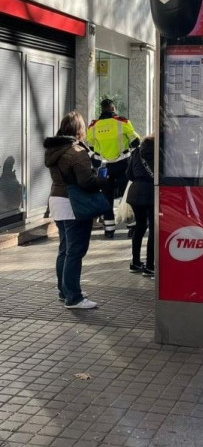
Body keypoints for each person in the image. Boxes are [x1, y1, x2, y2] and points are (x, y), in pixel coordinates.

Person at [44, 111, 105, 309]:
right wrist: (102, 178)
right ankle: (74, 297)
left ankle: (65, 290)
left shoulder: (55, 149)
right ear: (79, 129)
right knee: (75, 251)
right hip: (73, 204)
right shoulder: (75, 151)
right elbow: (86, 181)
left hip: (57, 200)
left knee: (65, 249)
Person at [87, 99, 140, 238]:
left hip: (104, 167)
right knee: (127, 196)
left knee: (106, 198)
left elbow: (91, 146)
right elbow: (136, 141)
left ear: (102, 109)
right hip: (123, 164)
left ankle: (109, 229)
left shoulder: (93, 126)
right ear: (113, 108)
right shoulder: (122, 122)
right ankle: (132, 227)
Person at [126, 135, 155, 277]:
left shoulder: (136, 152)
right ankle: (150, 266)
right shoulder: (157, 152)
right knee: (154, 229)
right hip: (151, 193)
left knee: (140, 226)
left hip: (135, 192)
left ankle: (135, 262)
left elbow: (129, 174)